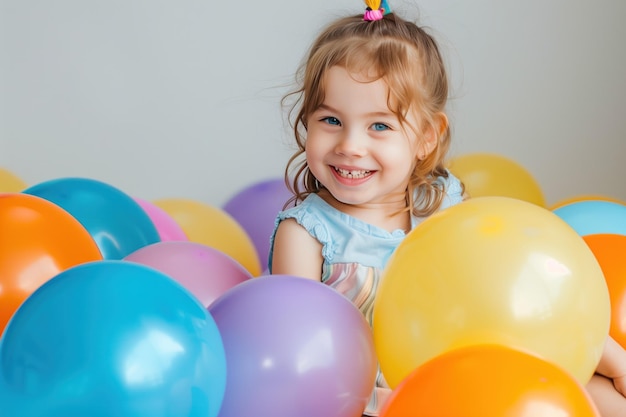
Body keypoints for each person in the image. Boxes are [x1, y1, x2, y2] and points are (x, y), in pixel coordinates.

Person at [268, 1, 626, 415]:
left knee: (598, 397)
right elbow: (302, 357)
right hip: (371, 401)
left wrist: (613, 362)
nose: (350, 145)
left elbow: (529, 294)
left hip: (473, 375)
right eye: (330, 120)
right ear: (306, 121)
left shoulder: (444, 205)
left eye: (379, 126)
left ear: (426, 138)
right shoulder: (306, 234)